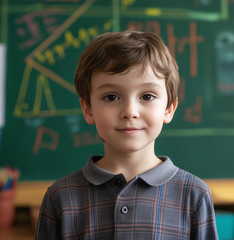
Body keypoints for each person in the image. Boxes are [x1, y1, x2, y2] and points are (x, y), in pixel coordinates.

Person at [35, 30, 218, 240]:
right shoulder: (60, 197)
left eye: (147, 96)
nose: (130, 111)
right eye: (111, 97)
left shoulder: (194, 195)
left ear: (169, 108)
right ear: (88, 109)